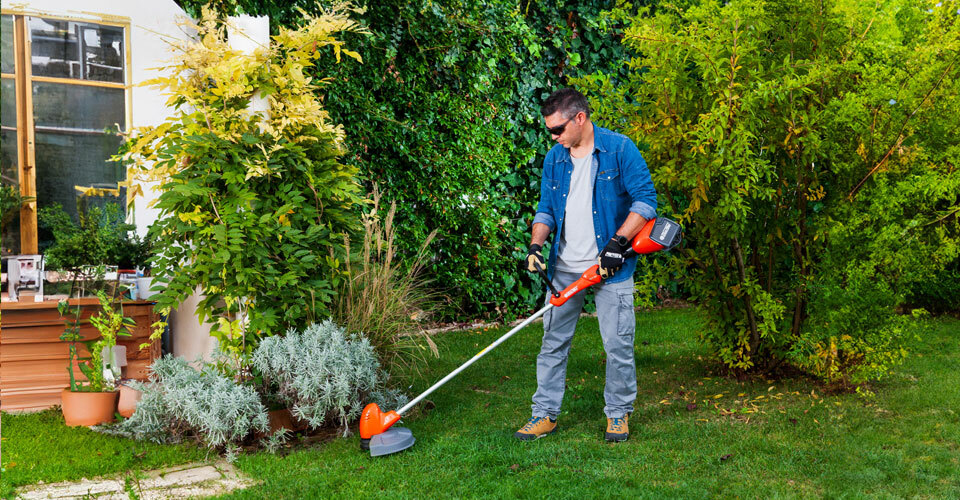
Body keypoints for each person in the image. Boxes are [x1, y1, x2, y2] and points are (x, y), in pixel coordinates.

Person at [515, 88, 657, 443]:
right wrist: (536, 245)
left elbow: (645, 201)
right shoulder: (555, 158)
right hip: (564, 269)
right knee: (552, 343)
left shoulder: (620, 149)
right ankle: (544, 414)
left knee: (618, 345)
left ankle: (618, 414)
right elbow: (546, 209)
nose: (553, 137)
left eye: (557, 129)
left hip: (612, 268)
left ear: (580, 118)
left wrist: (617, 245)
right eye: (550, 130)